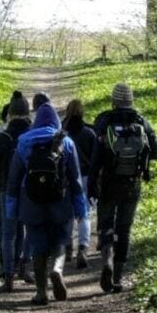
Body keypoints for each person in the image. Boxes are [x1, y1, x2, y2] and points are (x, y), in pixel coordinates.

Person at [5, 102, 88, 306]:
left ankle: (41, 293)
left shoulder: (24, 142)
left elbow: (14, 179)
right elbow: (75, 178)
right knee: (60, 240)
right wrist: (80, 209)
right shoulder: (66, 142)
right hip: (60, 200)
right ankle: (57, 270)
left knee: (38, 246)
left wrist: (12, 209)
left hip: (31, 202)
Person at [91, 82, 157, 293]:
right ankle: (118, 277)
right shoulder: (141, 121)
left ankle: (107, 262)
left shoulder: (103, 120)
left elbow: (95, 155)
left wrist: (91, 182)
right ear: (131, 100)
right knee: (124, 229)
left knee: (106, 224)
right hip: (133, 182)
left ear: (114, 101)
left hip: (108, 182)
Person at [0, 91, 31, 291]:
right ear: (28, 114)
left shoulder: (0, 136)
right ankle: (23, 265)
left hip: (3, 188)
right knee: (25, 229)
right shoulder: (33, 134)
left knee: (5, 231)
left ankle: (6, 269)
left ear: (9, 114)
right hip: (28, 189)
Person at [62, 98, 96, 269]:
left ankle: (67, 248)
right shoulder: (89, 133)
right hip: (85, 177)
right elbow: (95, 159)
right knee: (84, 214)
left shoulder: (61, 132)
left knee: (67, 214)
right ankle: (82, 248)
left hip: (66, 178)